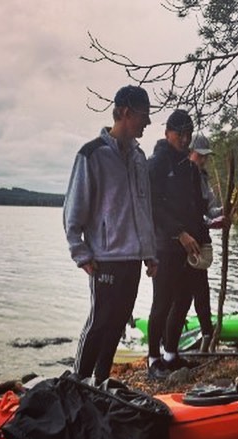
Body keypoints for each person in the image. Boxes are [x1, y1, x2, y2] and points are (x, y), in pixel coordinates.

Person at [63, 85, 157, 386]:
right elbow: (73, 210)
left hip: (132, 258)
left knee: (118, 323)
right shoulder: (91, 155)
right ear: (126, 112)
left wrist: (150, 253)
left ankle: (101, 383)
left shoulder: (140, 158)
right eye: (145, 115)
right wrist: (80, 253)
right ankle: (78, 383)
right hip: (104, 259)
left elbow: (144, 209)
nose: (148, 122)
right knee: (100, 322)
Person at [146, 110, 210, 379]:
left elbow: (197, 209)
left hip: (190, 247)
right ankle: (153, 359)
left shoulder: (190, 168)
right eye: (179, 133)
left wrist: (203, 240)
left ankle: (171, 354)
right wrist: (179, 233)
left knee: (184, 299)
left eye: (188, 134)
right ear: (167, 133)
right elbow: (152, 207)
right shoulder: (157, 163)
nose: (184, 139)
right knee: (162, 301)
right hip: (165, 245)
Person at [188, 133, 226, 352]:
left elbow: (209, 209)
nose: (203, 160)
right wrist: (211, 222)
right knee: (180, 294)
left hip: (200, 243)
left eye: (205, 157)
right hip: (184, 243)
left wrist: (222, 213)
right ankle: (168, 341)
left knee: (201, 289)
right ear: (190, 152)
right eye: (199, 156)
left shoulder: (203, 178)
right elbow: (190, 214)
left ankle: (207, 333)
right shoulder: (183, 177)